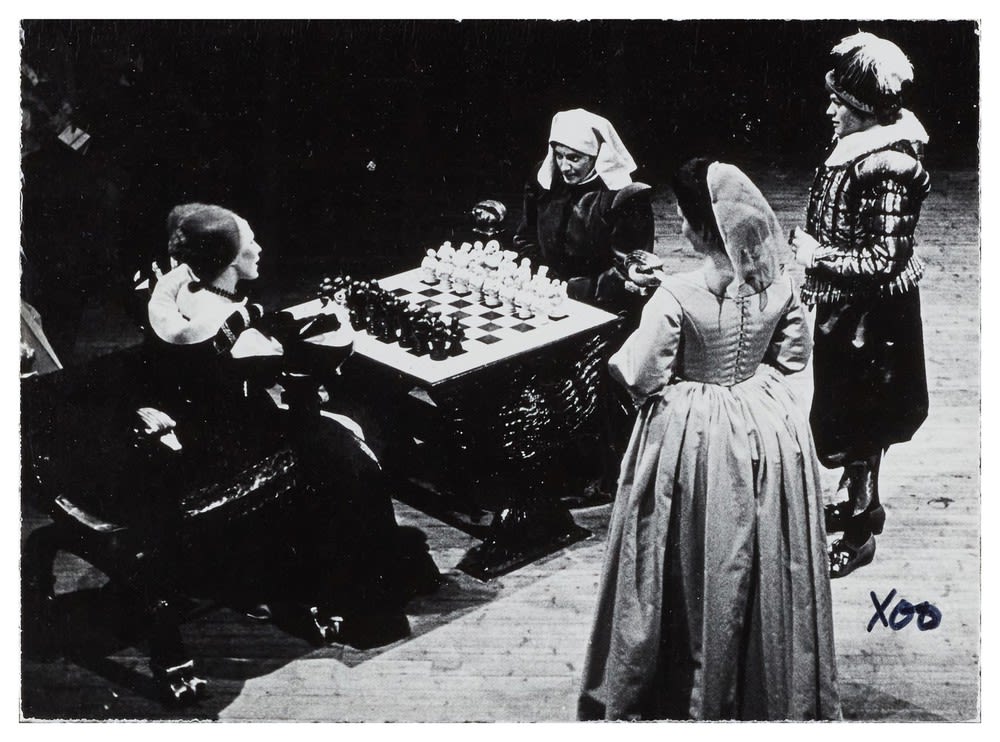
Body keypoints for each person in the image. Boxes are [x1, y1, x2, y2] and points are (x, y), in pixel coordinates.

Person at [578, 159, 840, 721]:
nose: (677, 223)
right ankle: (757, 684)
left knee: (690, 552)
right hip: (766, 428)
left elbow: (641, 373)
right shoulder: (781, 283)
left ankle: (683, 687)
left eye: (683, 216)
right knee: (760, 557)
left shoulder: (676, 295)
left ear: (705, 225)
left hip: (693, 438)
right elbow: (793, 357)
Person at [145, 203, 439, 647]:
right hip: (247, 439)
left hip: (215, 423)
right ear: (227, 263)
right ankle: (366, 602)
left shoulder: (186, 292)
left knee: (356, 427)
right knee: (359, 454)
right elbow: (273, 374)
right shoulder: (225, 328)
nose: (260, 248)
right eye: (250, 244)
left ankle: (378, 557)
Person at [789, 31, 930, 579]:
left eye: (840, 104)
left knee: (864, 421)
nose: (830, 110)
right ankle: (855, 499)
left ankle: (861, 527)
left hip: (875, 319)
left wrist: (818, 255)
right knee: (846, 417)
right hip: (849, 314)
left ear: (867, 110)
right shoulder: (858, 149)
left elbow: (883, 260)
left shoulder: (887, 164)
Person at [513, 108, 656, 321]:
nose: (564, 166)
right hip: (544, 295)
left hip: (602, 306)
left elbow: (628, 268)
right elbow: (525, 237)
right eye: (559, 156)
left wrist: (573, 289)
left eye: (574, 158)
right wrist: (539, 279)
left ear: (596, 156)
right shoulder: (543, 180)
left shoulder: (625, 197)